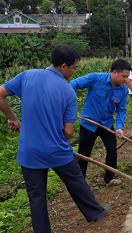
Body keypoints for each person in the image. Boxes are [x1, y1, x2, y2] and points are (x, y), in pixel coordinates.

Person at [0, 44, 110, 233]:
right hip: (56, 151)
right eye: (74, 68)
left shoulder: (27, 75)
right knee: (76, 181)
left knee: (36, 198)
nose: (74, 72)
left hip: (30, 152)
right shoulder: (68, 92)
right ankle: (95, 212)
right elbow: (67, 132)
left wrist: (12, 117)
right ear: (63, 67)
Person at [71, 59, 132, 185]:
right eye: (124, 76)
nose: (125, 80)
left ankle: (109, 178)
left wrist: (119, 127)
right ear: (115, 72)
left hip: (106, 123)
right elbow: (73, 84)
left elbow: (121, 110)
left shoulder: (122, 90)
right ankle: (80, 182)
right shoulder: (95, 78)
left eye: (127, 77)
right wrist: (70, 104)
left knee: (112, 149)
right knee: (84, 153)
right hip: (88, 123)